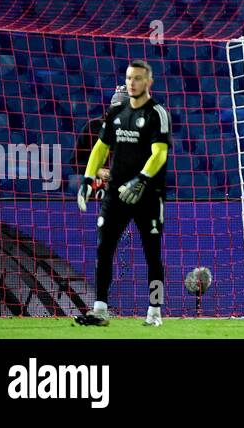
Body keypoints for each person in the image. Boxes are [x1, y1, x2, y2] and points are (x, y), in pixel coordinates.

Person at [74, 60, 172, 328]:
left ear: (147, 82)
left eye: (136, 78)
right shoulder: (116, 115)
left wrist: (141, 180)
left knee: (152, 253)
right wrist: (87, 177)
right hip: (117, 194)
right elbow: (100, 147)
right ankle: (100, 309)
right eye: (128, 78)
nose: (131, 83)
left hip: (147, 195)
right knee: (104, 248)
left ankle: (154, 311)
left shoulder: (157, 114)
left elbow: (160, 153)